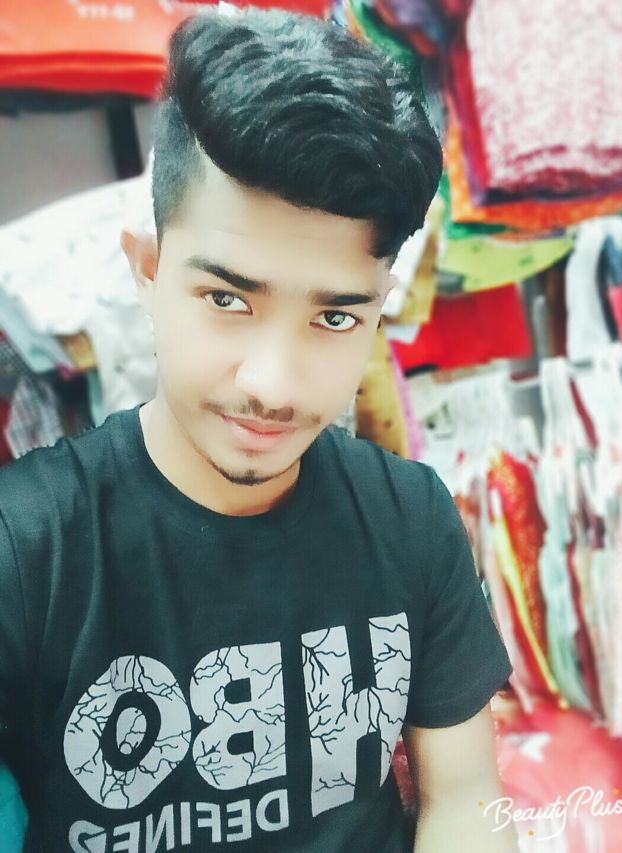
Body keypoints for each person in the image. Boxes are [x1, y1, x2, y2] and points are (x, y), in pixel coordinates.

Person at [0, 7, 517, 852]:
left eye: (336, 317)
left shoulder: (412, 517)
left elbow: (466, 797)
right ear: (148, 271)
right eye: (227, 299)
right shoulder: (25, 552)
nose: (272, 383)